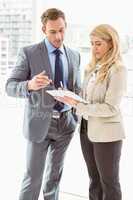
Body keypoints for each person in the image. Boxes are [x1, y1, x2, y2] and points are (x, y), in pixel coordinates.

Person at [5, 8, 81, 200]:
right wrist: (29, 85)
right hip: (39, 126)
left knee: (53, 180)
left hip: (66, 124)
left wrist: (74, 110)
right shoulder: (29, 53)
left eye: (62, 30)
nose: (58, 36)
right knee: (33, 178)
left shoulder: (74, 55)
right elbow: (10, 86)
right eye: (53, 32)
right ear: (43, 30)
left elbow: (77, 88)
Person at [56, 24, 127, 200]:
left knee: (109, 182)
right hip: (86, 129)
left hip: (107, 135)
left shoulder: (118, 69)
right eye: (92, 43)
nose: (94, 48)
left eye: (98, 43)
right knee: (94, 180)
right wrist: (69, 96)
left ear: (111, 43)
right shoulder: (92, 68)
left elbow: (111, 107)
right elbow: (87, 98)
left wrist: (78, 106)